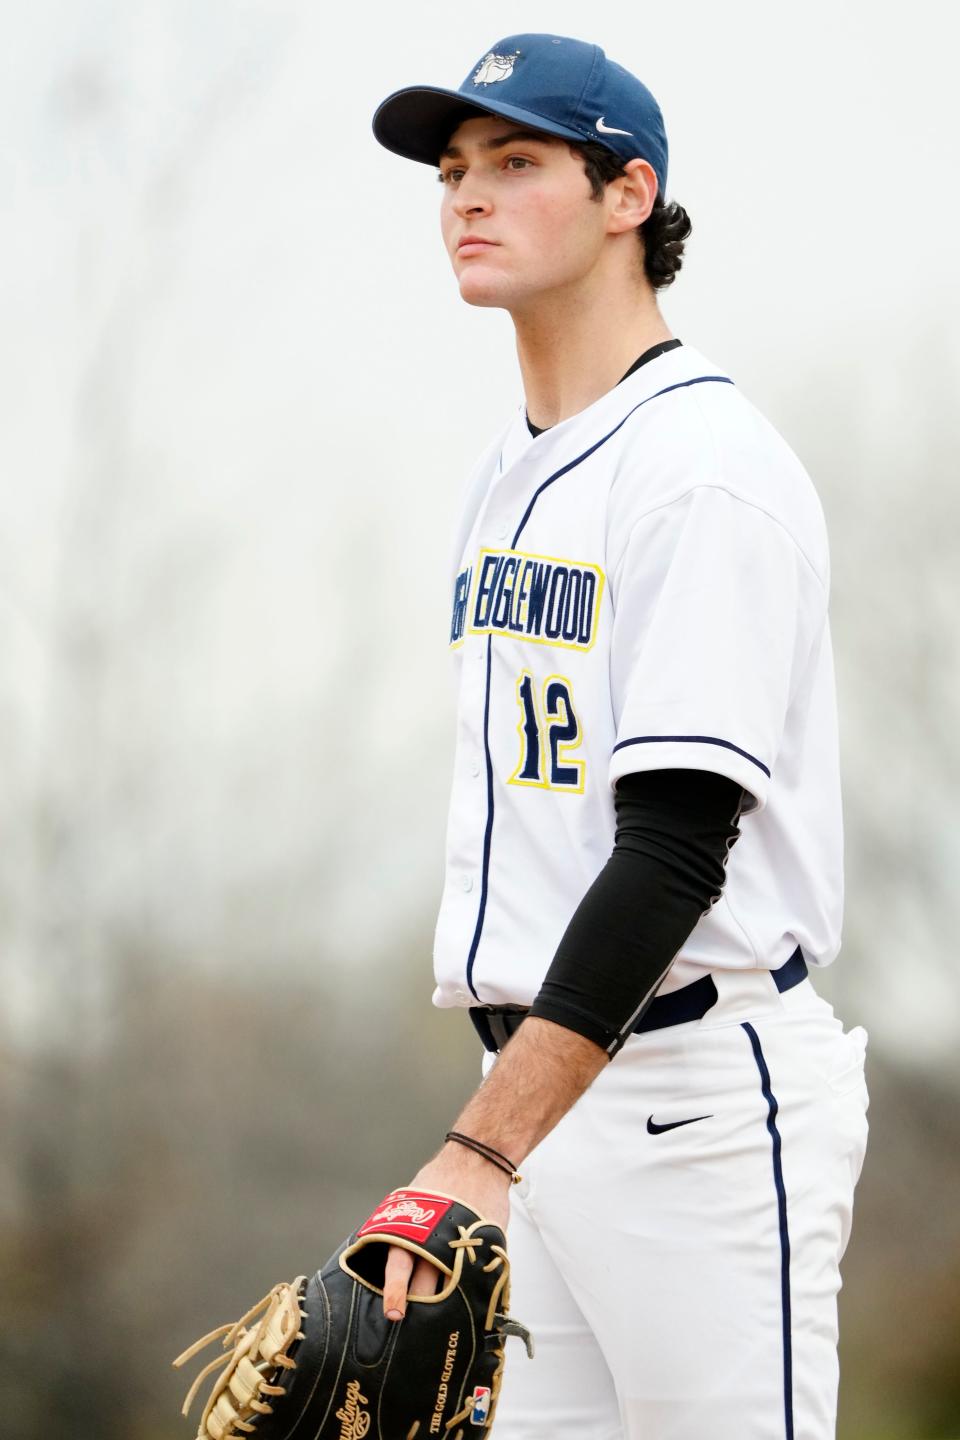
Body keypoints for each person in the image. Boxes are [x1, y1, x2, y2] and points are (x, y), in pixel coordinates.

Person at [371, 33, 868, 1440]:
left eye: (518, 160)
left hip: (698, 1108)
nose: (468, 193)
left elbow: (670, 853)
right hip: (549, 1105)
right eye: (454, 169)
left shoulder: (702, 470)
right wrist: (510, 1137)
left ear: (626, 193)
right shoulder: (504, 471)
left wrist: (474, 1154)